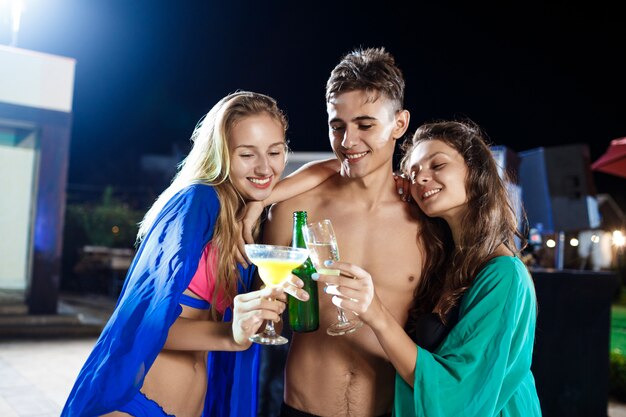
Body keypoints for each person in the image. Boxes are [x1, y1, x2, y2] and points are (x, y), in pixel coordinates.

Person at [61, 91, 300, 417]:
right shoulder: (196, 203)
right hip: (134, 404)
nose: (265, 167)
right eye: (247, 154)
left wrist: (260, 202)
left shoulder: (240, 218)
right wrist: (233, 334)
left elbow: (331, 169)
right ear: (222, 155)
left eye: (275, 151)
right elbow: (145, 326)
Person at [317, 120, 542, 416]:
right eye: (412, 173)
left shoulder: (504, 275)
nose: (421, 178)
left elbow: (456, 394)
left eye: (437, 165)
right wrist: (266, 198)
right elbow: (347, 172)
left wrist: (376, 314)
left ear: (476, 172)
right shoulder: (445, 261)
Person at [261, 47, 422, 416]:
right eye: (338, 126)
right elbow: (262, 311)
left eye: (366, 125)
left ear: (399, 124)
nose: (348, 142)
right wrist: (271, 301)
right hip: (302, 407)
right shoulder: (293, 209)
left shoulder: (424, 219)